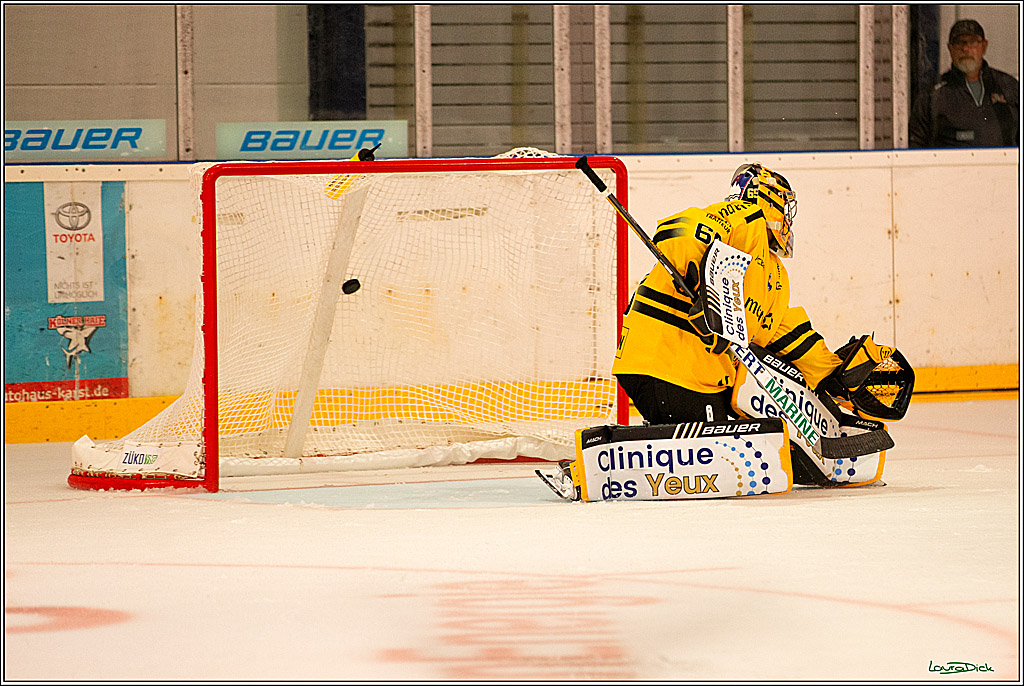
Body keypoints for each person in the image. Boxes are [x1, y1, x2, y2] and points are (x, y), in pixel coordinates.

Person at [611, 163, 842, 424]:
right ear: (767, 198)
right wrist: (705, 288)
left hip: (695, 375)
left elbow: (781, 331)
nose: (786, 217)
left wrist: (834, 374)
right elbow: (679, 231)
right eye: (783, 205)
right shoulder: (745, 219)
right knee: (718, 453)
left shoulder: (774, 273)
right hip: (668, 362)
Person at [909, 19, 1019, 148]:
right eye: (959, 43)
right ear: (950, 48)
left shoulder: (1009, 86)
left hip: (1004, 166)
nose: (966, 49)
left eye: (973, 42)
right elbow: (916, 147)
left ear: (984, 46)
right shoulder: (932, 95)